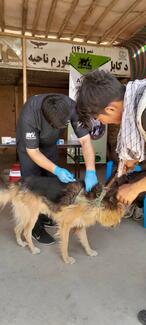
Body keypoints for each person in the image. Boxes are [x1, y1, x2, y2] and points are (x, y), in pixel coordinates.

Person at [76, 69, 146, 324]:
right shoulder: (135, 99)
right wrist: (125, 175)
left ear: (110, 107)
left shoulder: (144, 112)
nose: (102, 124)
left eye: (99, 118)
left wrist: (136, 188)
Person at [16, 93, 98, 245]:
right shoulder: (30, 114)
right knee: (34, 183)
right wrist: (57, 170)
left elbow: (85, 141)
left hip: (50, 144)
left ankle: (47, 214)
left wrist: (91, 170)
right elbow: (33, 152)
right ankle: (35, 227)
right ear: (48, 120)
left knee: (52, 180)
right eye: (56, 126)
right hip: (30, 148)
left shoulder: (72, 107)